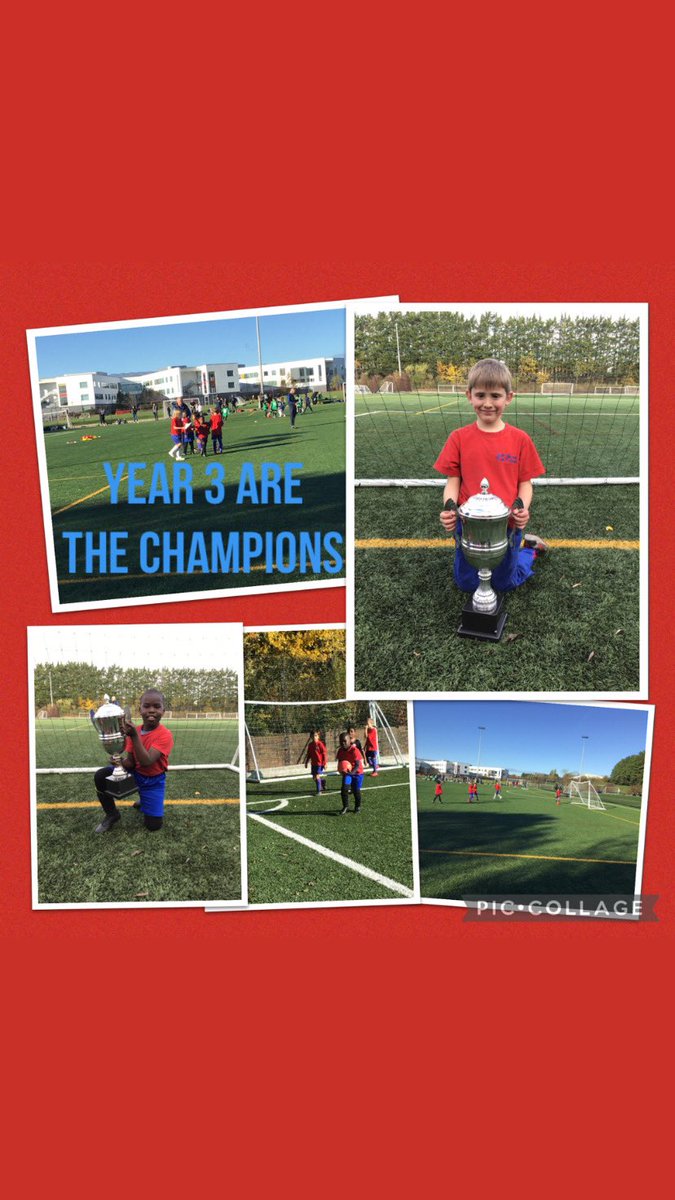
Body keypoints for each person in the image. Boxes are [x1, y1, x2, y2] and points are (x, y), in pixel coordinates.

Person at [436, 359, 548, 594]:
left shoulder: (520, 439)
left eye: (495, 396)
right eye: (480, 395)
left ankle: (529, 549)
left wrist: (521, 509)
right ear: (469, 395)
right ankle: (517, 549)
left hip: (505, 526)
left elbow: (524, 485)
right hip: (469, 526)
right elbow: (453, 482)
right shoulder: (458, 438)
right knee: (466, 584)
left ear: (509, 397)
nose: (487, 403)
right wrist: (449, 508)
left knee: (505, 584)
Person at [93, 690, 174, 833]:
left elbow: (146, 762)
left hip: (153, 782)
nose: (151, 710)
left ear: (163, 710)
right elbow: (131, 763)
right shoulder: (134, 731)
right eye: (146, 706)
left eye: (156, 706)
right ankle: (112, 814)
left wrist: (135, 736)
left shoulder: (165, 735)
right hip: (135, 775)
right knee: (101, 775)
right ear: (140, 709)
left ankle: (145, 799)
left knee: (153, 826)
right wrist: (118, 761)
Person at [337, 732, 364, 815]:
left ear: (349, 741)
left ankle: (357, 807)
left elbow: (357, 764)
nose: (343, 743)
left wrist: (352, 772)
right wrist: (340, 769)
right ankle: (345, 806)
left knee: (356, 791)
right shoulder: (340, 751)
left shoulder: (354, 750)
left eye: (345, 741)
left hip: (357, 773)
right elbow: (340, 761)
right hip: (348, 773)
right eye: (341, 741)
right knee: (344, 789)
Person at [304, 730, 328, 795]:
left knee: (317, 776)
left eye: (316, 735)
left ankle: (319, 791)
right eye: (313, 736)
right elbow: (309, 754)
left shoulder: (320, 744)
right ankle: (322, 782)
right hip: (313, 764)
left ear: (318, 737)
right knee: (314, 777)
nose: (314, 737)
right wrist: (306, 762)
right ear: (311, 737)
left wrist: (325, 763)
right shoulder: (310, 745)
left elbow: (324, 753)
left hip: (320, 763)